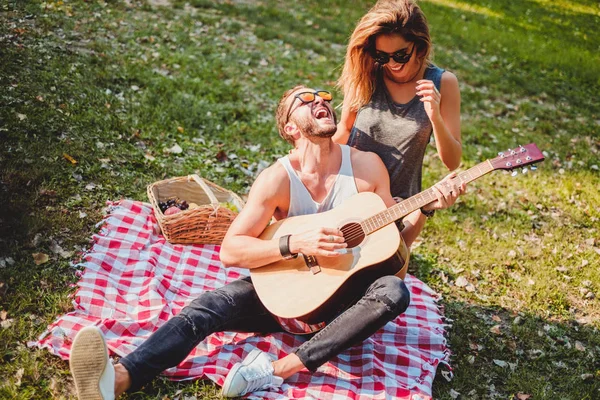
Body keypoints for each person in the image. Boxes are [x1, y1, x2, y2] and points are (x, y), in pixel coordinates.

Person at [68, 85, 465, 399]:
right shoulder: (277, 180)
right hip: (289, 294)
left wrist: (425, 210)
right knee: (209, 305)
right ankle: (118, 379)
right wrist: (295, 242)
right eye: (304, 100)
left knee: (394, 290)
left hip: (346, 300)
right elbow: (231, 250)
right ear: (290, 128)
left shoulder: (366, 167)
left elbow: (395, 250)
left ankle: (275, 371)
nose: (320, 101)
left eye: (323, 97)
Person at [334, 0, 462, 246]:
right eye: (382, 56)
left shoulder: (444, 83)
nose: (392, 64)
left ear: (420, 46)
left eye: (401, 55)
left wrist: (434, 115)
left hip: (392, 211)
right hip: (344, 198)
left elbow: (452, 161)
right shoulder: (367, 72)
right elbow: (345, 130)